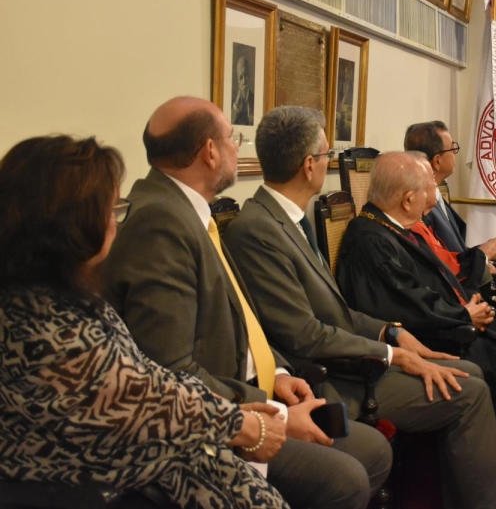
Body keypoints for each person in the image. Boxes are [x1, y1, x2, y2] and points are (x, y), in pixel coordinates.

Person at [222, 106, 496, 509]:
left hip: (347, 354)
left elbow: (337, 312)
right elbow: (303, 334)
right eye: (327, 155)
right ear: (309, 166)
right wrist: (392, 353)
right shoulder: (259, 230)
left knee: (470, 373)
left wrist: (391, 332)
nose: (327, 162)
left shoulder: (287, 220)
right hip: (330, 377)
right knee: (469, 390)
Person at [103, 96, 391, 509]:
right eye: (233, 139)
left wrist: (278, 372)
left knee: (374, 450)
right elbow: (171, 370)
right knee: (346, 478)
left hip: (254, 387)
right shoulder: (161, 222)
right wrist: (269, 411)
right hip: (213, 419)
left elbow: (238, 315)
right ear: (210, 151)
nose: (238, 149)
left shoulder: (184, 209)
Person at [0, 135, 287, 508]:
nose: (116, 221)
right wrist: (246, 424)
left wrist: (235, 411)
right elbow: (143, 395)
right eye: (111, 209)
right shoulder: (47, 332)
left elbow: (148, 379)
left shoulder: (51, 295)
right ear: (72, 228)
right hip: (120, 487)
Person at [335, 151, 496, 508]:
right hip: (435, 340)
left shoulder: (394, 228)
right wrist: (463, 316)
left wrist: (466, 308)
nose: (433, 193)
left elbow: (428, 287)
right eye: (427, 187)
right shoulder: (370, 239)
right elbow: (403, 305)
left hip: (450, 327)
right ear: (408, 199)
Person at [404, 120, 496, 261]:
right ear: (437, 161)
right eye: (452, 148)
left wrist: (490, 248)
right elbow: (443, 261)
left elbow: (458, 247)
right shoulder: (421, 206)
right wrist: (483, 256)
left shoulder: (436, 194)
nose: (455, 153)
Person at [232, 54, 254, 126]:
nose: (244, 81)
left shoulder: (254, 99)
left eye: (246, 76)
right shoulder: (233, 100)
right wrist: (236, 104)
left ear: (249, 76)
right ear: (238, 80)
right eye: (241, 77)